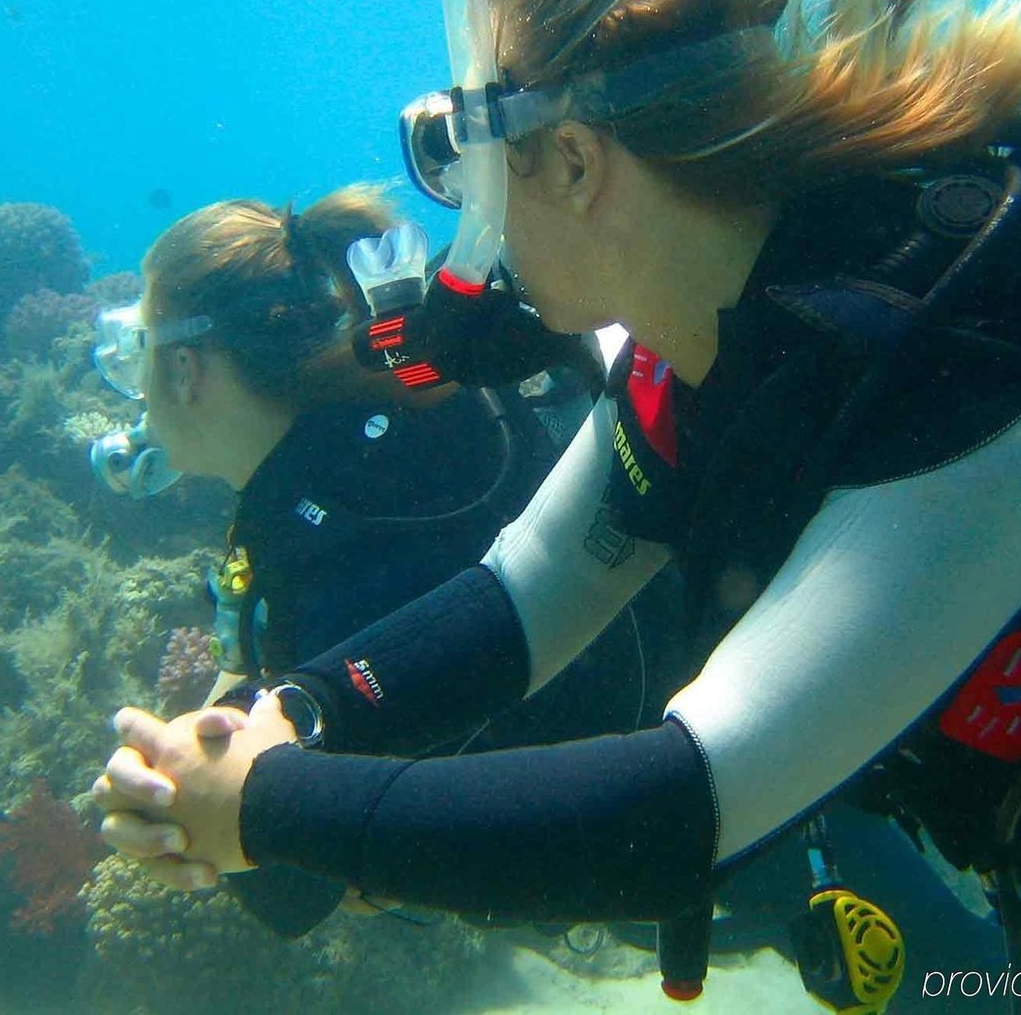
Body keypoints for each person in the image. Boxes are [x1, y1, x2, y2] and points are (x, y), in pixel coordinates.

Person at [91, 0, 1021, 1008]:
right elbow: (522, 597)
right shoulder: (698, 347)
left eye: (464, 160)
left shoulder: (948, 385)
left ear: (573, 163)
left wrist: (265, 808)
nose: (464, 216)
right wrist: (297, 714)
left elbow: (683, 806)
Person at [88, 189, 686, 940]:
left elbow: (289, 885)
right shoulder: (364, 455)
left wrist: (176, 794)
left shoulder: (336, 536)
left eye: (133, 352)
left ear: (184, 369)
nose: (133, 385)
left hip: (680, 853)